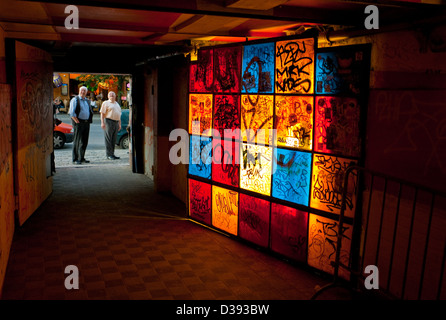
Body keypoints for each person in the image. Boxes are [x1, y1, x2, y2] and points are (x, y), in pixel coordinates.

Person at [69, 86, 93, 165]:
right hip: (78, 122)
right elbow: (72, 113)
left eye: (84, 91)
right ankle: (75, 159)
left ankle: (81, 158)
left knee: (84, 141)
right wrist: (77, 122)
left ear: (86, 92)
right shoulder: (75, 99)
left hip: (86, 123)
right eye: (82, 90)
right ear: (79, 91)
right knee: (77, 141)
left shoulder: (87, 100)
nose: (83, 92)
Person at [100, 91, 122, 160]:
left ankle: (112, 154)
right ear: (108, 96)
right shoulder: (105, 103)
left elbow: (119, 115)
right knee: (108, 139)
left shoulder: (117, 104)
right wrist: (102, 122)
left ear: (115, 96)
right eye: (110, 95)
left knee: (113, 139)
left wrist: (119, 124)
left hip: (116, 122)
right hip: (109, 121)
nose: (112, 96)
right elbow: (102, 113)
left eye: (113, 95)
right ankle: (109, 155)